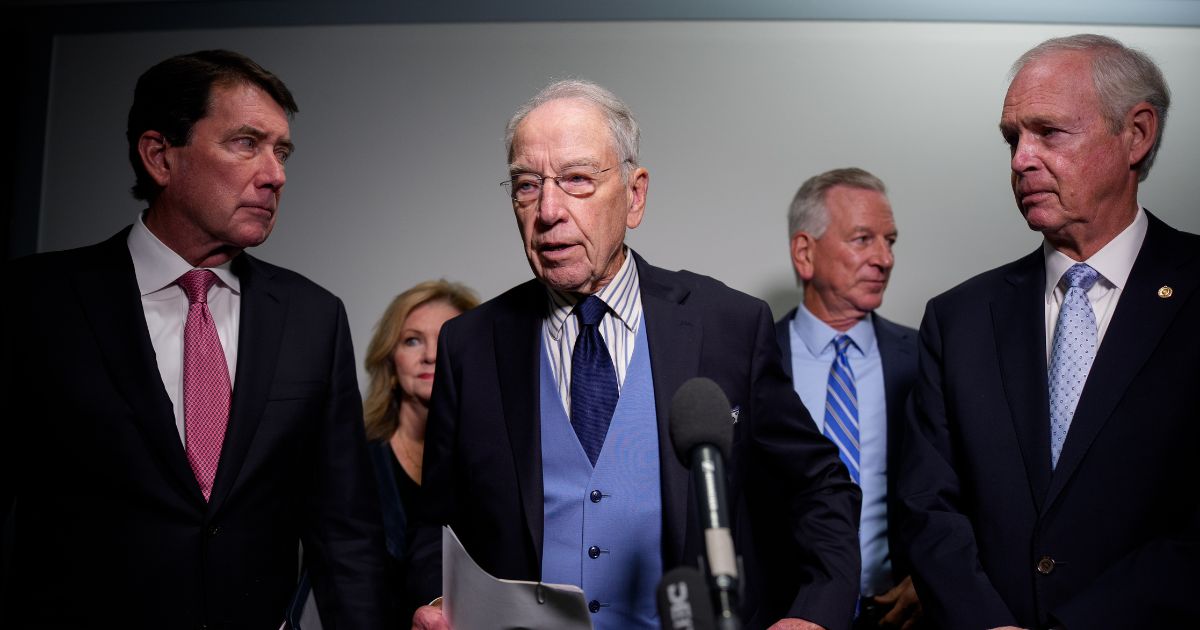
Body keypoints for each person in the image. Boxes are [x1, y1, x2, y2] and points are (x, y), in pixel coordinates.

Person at [407, 79, 861, 630]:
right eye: (527, 185)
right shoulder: (470, 346)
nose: (548, 210)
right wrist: (436, 602)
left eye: (577, 179)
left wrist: (814, 615)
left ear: (634, 195)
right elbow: (434, 528)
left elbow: (820, 487)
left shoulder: (728, 326)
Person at [2, 50, 391, 628]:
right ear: (160, 156)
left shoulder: (313, 317)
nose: (276, 174)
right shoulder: (35, 302)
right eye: (246, 143)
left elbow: (346, 533)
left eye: (282, 152)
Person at [897, 33, 1199, 629]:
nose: (1020, 160)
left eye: (1049, 132)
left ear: (1137, 133)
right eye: (1013, 138)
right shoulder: (958, 319)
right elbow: (927, 507)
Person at [775, 168, 922, 630]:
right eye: (863, 239)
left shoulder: (924, 358)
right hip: (787, 615)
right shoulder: (754, 359)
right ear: (805, 253)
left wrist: (931, 578)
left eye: (889, 241)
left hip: (897, 615)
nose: (884, 258)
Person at [289, 281, 479, 628]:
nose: (431, 355)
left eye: (446, 339)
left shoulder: (491, 462)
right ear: (391, 360)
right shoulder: (351, 461)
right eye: (412, 340)